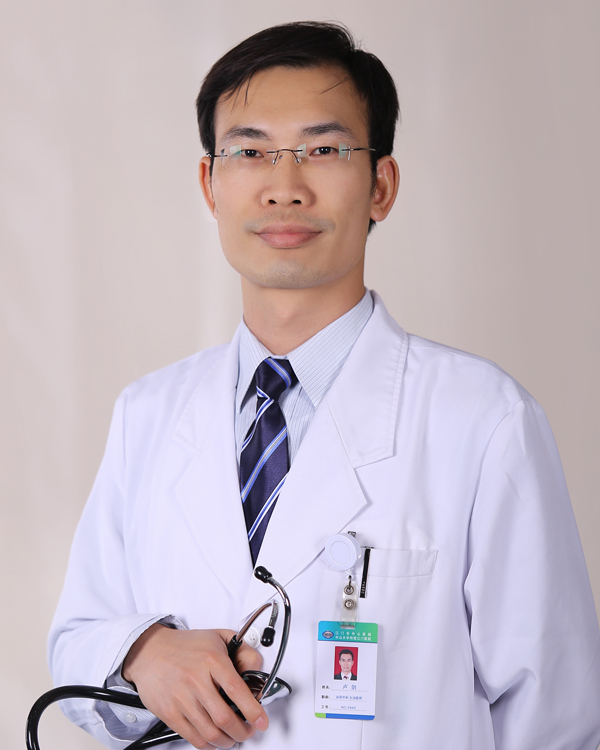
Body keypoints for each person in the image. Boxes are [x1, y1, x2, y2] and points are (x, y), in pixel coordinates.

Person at [48, 20, 600, 750]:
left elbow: (557, 717)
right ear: (211, 185)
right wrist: (142, 651)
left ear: (381, 186)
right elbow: (77, 637)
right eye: (250, 152)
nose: (284, 188)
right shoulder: (147, 413)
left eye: (324, 149)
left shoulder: (484, 420)